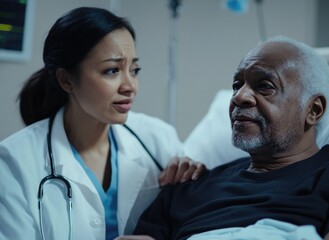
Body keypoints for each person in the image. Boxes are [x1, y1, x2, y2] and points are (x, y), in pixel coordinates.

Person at [0, 7, 206, 240]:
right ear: (66, 79)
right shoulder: (13, 162)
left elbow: (200, 224)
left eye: (134, 70)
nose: (130, 86)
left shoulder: (158, 139)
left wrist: (195, 176)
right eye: (112, 70)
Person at [131, 36, 329, 240]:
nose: (240, 97)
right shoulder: (188, 186)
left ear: (313, 110)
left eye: (265, 86)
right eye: (236, 85)